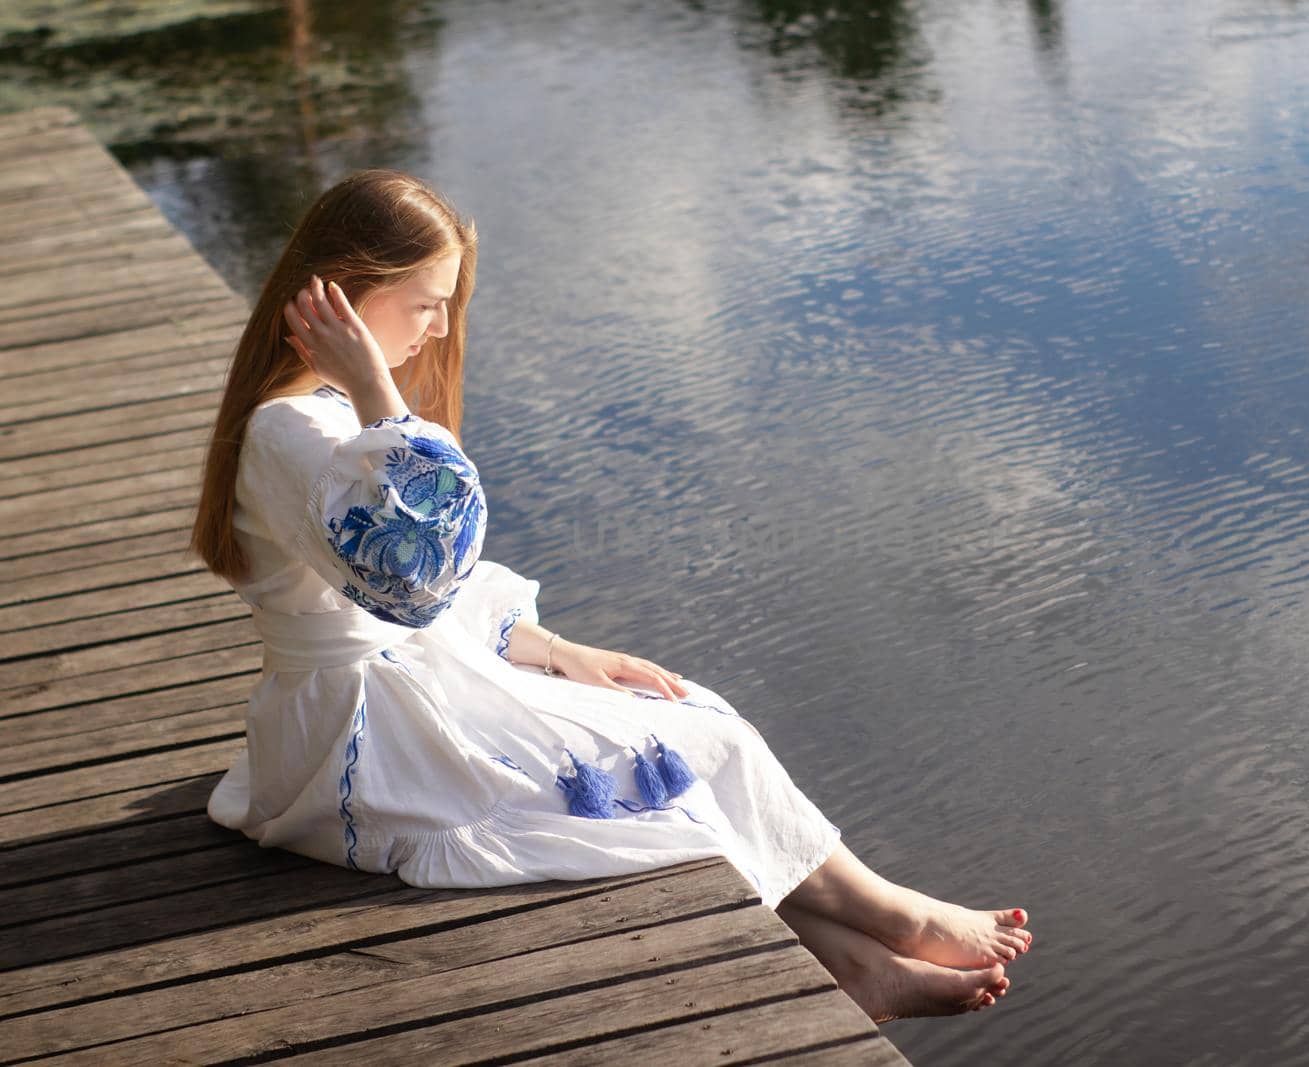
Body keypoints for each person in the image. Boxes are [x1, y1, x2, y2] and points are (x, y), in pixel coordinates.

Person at [189, 169, 1031, 1022]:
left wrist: (559, 652)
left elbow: (435, 594)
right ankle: (887, 919)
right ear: (345, 295)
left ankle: (854, 955)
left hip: (413, 680)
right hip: (367, 737)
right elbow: (416, 577)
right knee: (669, 780)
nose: (440, 325)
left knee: (692, 715)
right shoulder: (295, 427)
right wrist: (378, 389)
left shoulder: (323, 416)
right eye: (422, 302)